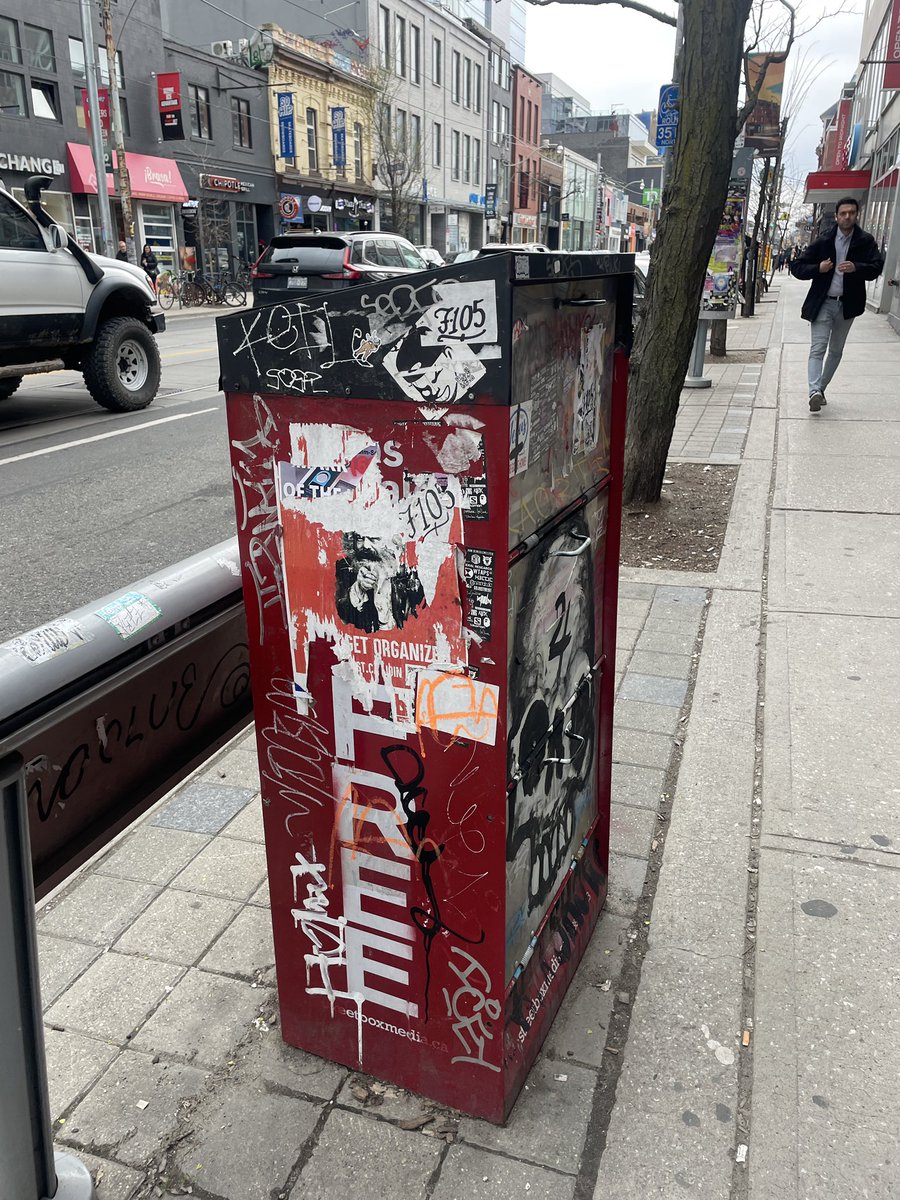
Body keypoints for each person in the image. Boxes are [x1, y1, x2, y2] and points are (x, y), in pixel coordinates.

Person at [789, 196, 883, 412]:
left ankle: (820, 389)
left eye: (851, 212)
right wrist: (818, 268)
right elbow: (797, 267)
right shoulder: (823, 241)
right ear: (836, 216)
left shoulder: (865, 241)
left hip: (848, 305)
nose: (847, 216)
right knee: (818, 348)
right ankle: (813, 391)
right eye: (843, 213)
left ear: (856, 215)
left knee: (836, 350)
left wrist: (857, 267)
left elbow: (877, 267)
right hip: (824, 303)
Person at [335, 532, 425, 633]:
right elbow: (342, 619)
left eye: (374, 538)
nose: (365, 545)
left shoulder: (417, 573)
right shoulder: (345, 570)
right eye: (360, 538)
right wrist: (359, 589)